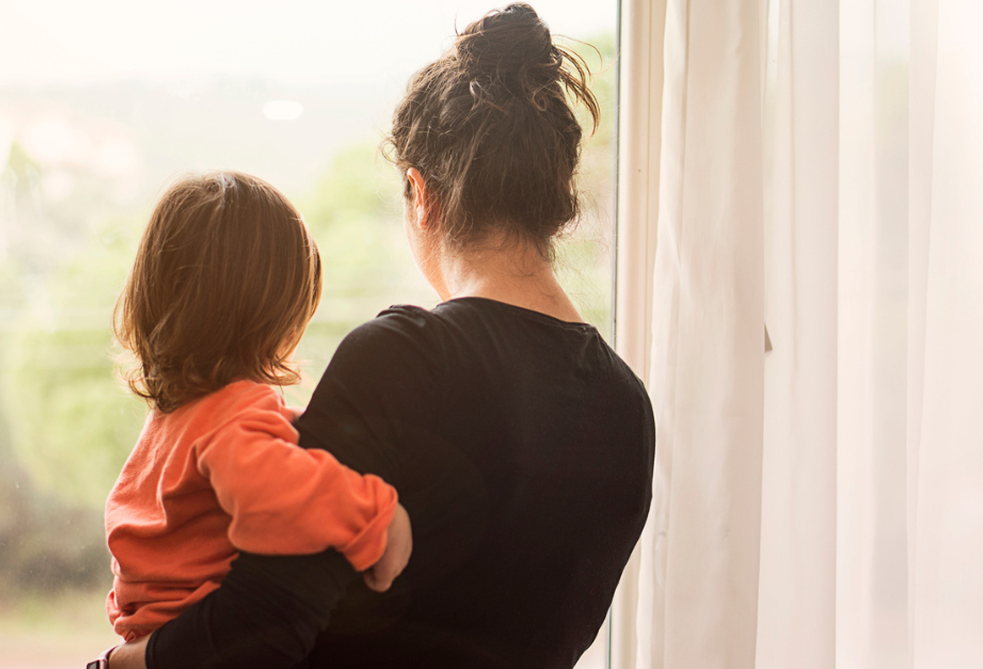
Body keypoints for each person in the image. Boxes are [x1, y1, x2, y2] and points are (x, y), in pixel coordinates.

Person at [105, 4, 654, 668]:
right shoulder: (626, 407)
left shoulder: (405, 358)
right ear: (554, 192)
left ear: (420, 193)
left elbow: (258, 631)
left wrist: (111, 663)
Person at [100, 172, 413, 647]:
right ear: (275, 317)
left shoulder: (174, 418)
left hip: (152, 637)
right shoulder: (233, 417)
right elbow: (280, 495)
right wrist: (376, 517)